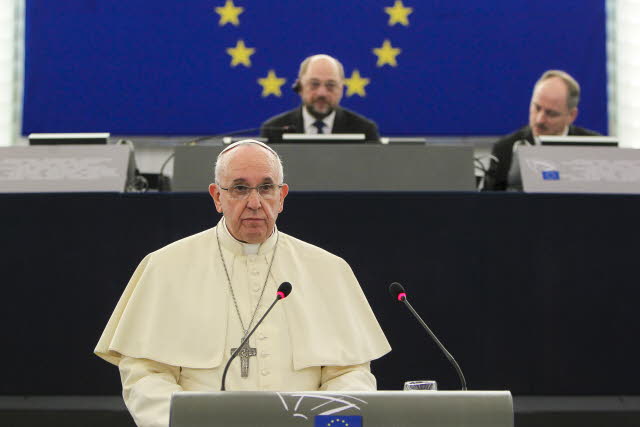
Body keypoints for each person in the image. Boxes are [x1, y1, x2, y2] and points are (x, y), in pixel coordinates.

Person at [95, 140, 391, 427]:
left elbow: (350, 373)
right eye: (239, 188)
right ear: (217, 197)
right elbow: (147, 376)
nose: (254, 202)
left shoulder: (328, 270)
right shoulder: (165, 267)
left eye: (266, 188)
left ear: (282, 196)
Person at [484, 70, 600, 191]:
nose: (540, 119)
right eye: (537, 108)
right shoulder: (505, 150)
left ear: (571, 115)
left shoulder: (595, 151)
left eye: (551, 113)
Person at [260, 54, 380, 141]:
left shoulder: (364, 130)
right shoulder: (275, 129)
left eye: (330, 85)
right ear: (300, 86)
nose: (322, 93)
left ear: (341, 89)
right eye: (314, 84)